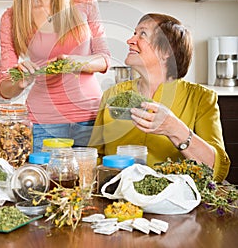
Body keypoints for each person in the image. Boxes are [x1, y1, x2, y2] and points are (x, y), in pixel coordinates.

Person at [0, 0, 110, 152]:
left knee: (91, 185)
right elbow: (3, 86)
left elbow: (105, 58)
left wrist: (75, 62)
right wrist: (20, 83)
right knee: (48, 186)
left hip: (90, 117)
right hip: (43, 124)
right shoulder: (12, 17)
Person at [89, 13, 230, 182]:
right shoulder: (113, 95)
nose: (130, 40)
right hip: (117, 200)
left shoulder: (201, 98)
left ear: (166, 51)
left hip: (174, 202)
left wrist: (175, 128)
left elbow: (217, 169)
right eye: (134, 33)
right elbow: (94, 156)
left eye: (142, 34)